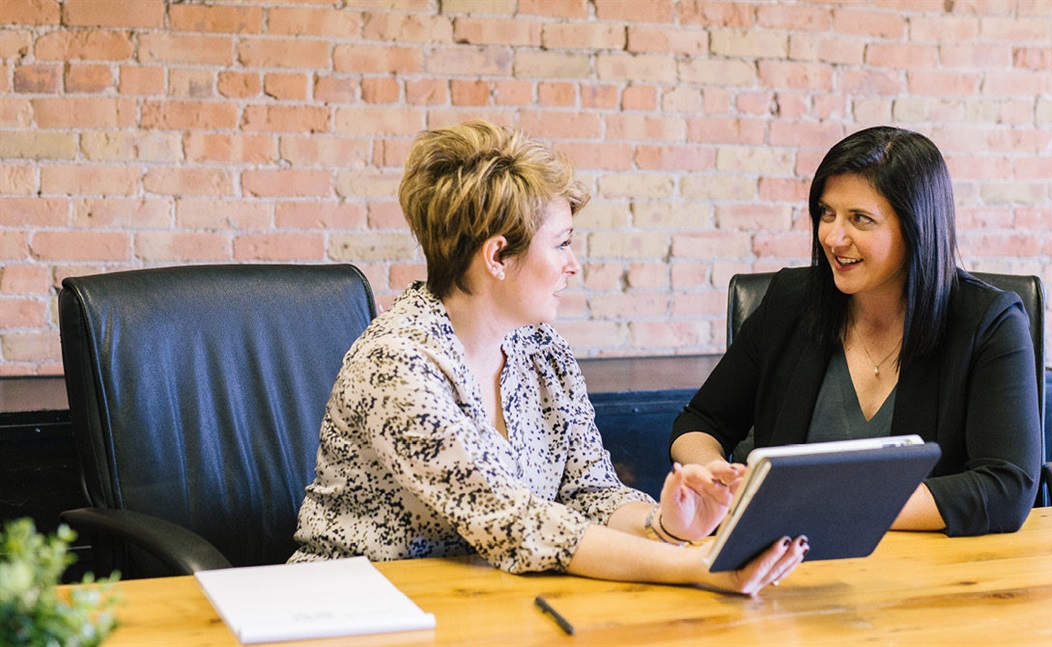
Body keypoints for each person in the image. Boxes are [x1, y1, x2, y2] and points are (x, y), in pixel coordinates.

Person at [290, 121, 807, 594]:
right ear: (497, 256)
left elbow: (590, 492)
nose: (573, 265)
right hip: (354, 605)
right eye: (561, 244)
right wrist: (698, 566)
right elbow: (516, 522)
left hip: (487, 600)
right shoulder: (397, 364)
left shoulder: (541, 348)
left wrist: (667, 525)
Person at [671, 126, 1041, 537]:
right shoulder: (791, 302)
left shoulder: (989, 322)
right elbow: (700, 422)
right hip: (786, 564)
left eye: (860, 219)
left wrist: (823, 507)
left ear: (916, 227)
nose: (832, 236)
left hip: (929, 570)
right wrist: (712, 475)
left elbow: (1006, 486)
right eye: (826, 214)